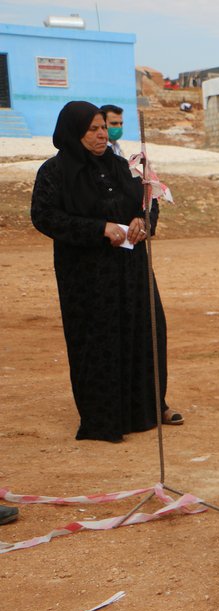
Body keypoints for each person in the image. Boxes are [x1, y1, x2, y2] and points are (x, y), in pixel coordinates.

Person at [30, 101, 181, 443]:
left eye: (103, 128)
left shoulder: (120, 166)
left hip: (132, 270)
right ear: (74, 132)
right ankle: (104, 418)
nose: (101, 135)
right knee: (100, 340)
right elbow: (45, 216)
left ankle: (146, 409)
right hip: (88, 277)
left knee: (144, 332)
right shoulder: (54, 173)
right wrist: (99, 229)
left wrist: (144, 221)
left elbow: (148, 201)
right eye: (93, 130)